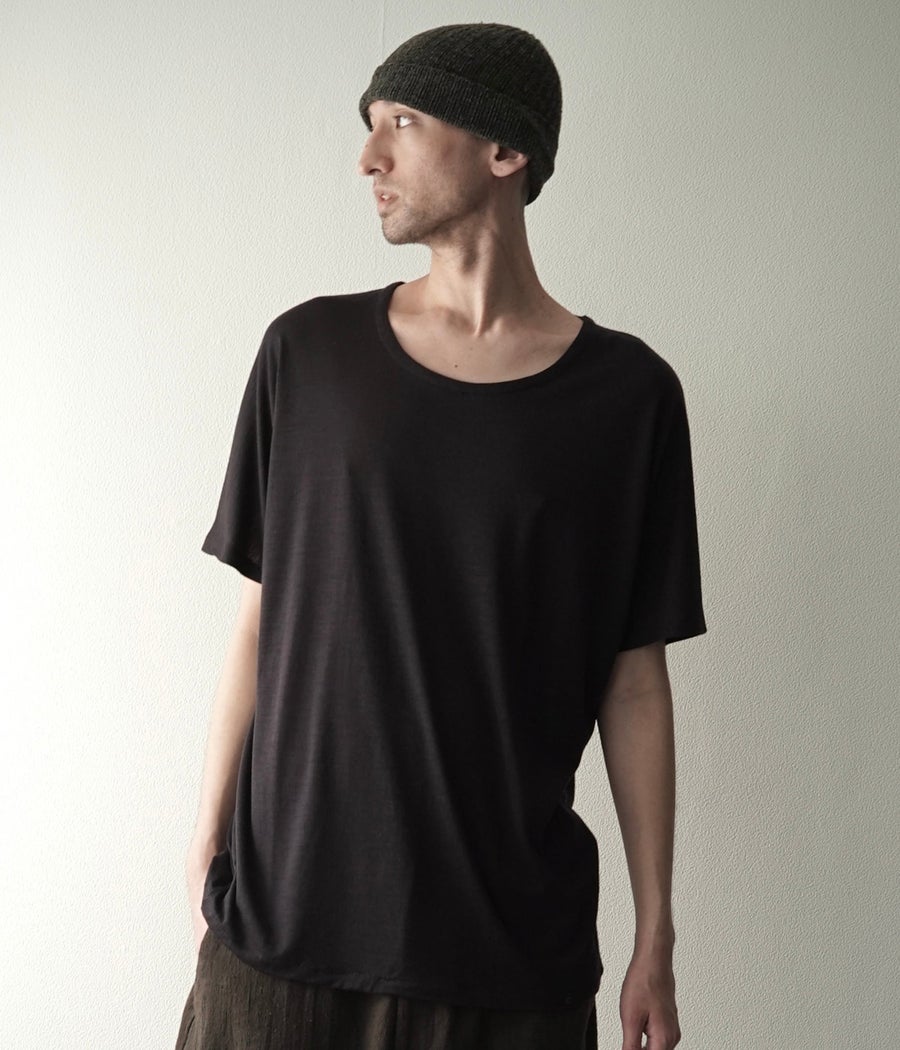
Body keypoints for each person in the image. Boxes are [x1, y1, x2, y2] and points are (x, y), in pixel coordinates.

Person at [175, 21, 706, 1050]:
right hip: (282, 937)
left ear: (505, 150)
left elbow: (634, 679)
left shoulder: (628, 400)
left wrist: (656, 934)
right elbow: (259, 619)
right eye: (369, 125)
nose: (368, 158)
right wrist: (203, 848)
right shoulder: (307, 354)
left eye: (404, 123)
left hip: (506, 959)